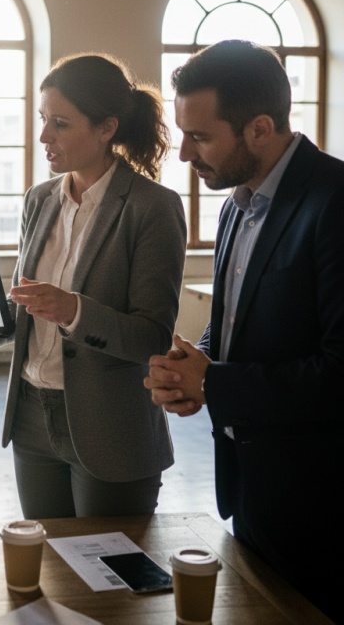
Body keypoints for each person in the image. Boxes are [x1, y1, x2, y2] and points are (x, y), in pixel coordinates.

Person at [0, 53, 187, 518]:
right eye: (42, 119)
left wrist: (73, 309)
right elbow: (27, 309)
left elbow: (151, 336)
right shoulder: (40, 199)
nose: (43, 137)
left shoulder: (153, 207)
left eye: (60, 124)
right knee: (49, 567)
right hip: (30, 416)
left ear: (107, 128)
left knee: (107, 579)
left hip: (109, 426)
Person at [144, 40, 344, 622]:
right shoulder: (237, 203)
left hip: (320, 499)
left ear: (259, 128)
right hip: (251, 486)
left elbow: (340, 372)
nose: (183, 153)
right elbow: (235, 319)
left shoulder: (335, 204)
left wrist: (217, 384)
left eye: (200, 137)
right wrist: (194, 365)